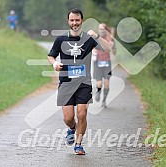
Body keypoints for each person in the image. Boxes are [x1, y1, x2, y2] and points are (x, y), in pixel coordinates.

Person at [47, 8, 111, 155]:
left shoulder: (89, 39)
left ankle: (78, 144)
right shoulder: (61, 39)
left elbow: (107, 49)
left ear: (82, 21)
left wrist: (97, 37)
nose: (75, 23)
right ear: (68, 21)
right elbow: (51, 56)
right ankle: (72, 128)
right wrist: (54, 63)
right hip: (66, 82)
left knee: (82, 113)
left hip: (84, 83)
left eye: (77, 20)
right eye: (72, 20)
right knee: (68, 118)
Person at [92, 23, 116, 107]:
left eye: (103, 29)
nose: (101, 31)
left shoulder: (110, 39)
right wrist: (93, 51)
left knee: (106, 83)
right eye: (100, 29)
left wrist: (112, 48)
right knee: (99, 83)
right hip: (97, 62)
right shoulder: (95, 39)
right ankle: (98, 93)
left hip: (107, 63)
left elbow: (114, 52)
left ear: (106, 30)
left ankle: (104, 101)